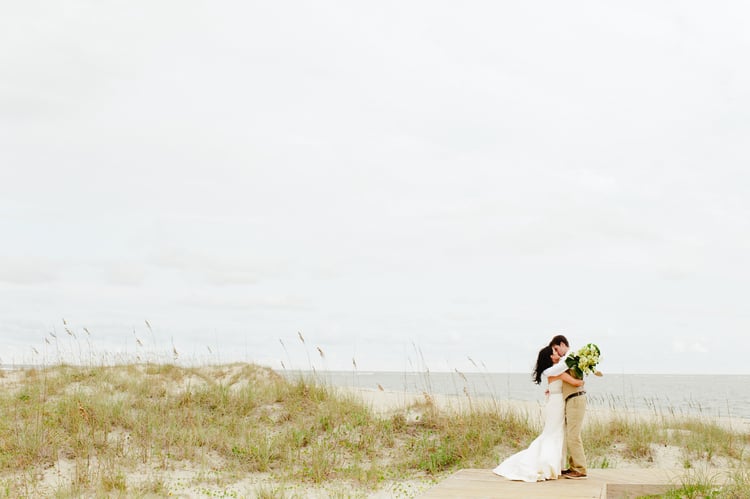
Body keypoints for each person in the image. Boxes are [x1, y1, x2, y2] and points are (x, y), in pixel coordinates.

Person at [492, 345, 584, 482]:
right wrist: (582, 376)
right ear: (551, 357)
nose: (558, 352)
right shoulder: (557, 372)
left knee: (553, 432)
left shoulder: (553, 371)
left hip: (554, 402)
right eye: (555, 351)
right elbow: (577, 382)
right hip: (557, 404)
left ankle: (556, 465)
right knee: (555, 433)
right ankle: (549, 464)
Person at [545, 334, 588, 479]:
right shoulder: (566, 361)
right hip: (570, 399)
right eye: (554, 351)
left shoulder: (571, 358)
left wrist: (579, 382)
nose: (557, 353)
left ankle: (580, 469)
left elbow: (574, 379)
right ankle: (574, 466)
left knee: (573, 435)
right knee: (571, 434)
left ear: (563, 344)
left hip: (575, 398)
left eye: (557, 349)